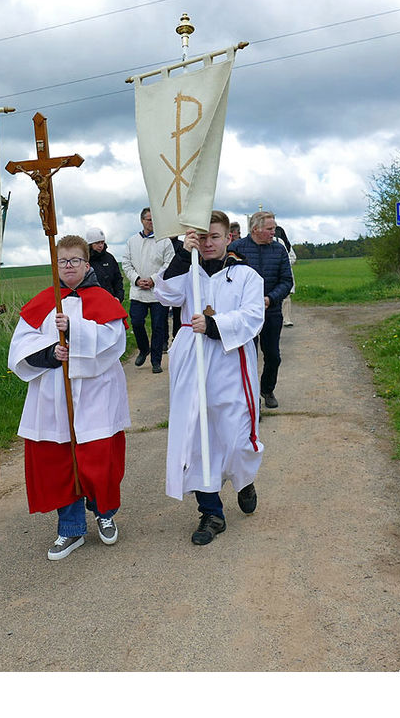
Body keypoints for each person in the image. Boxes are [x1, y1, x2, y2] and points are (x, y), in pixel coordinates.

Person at [8, 235, 131, 561]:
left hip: (95, 394)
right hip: (54, 395)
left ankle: (105, 514)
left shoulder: (103, 299)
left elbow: (113, 342)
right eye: (63, 261)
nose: (69, 266)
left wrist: (75, 329)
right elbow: (19, 347)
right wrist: (51, 353)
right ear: (55, 265)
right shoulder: (45, 301)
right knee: (60, 461)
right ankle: (71, 528)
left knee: (99, 457)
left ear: (87, 264)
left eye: (75, 260)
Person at [154, 210, 265, 546]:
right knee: (197, 433)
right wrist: (178, 252)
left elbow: (252, 315)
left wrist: (215, 326)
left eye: (213, 237)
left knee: (234, 434)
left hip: (230, 359)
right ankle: (211, 511)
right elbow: (166, 294)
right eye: (201, 238)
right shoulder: (188, 269)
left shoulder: (245, 275)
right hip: (192, 357)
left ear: (228, 237)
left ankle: (243, 477)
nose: (207, 244)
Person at [228, 211, 293, 409]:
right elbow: (227, 278)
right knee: (248, 356)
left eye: (274, 228)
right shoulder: (236, 248)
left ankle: (267, 389)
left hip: (270, 312)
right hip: (244, 314)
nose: (274, 232)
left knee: (273, 355)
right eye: (270, 229)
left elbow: (286, 281)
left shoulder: (279, 250)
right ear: (255, 229)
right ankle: (251, 396)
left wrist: (270, 299)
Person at [122, 207, 175, 374]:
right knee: (136, 322)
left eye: (154, 219)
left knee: (159, 326)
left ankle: (156, 361)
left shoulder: (164, 241)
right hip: (138, 291)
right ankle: (144, 349)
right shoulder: (132, 241)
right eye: (148, 219)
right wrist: (137, 279)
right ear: (142, 221)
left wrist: (153, 279)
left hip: (158, 291)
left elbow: (169, 263)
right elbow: (126, 263)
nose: (151, 222)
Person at [85, 227, 124, 303]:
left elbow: (117, 279)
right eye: (97, 243)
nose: (100, 245)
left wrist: (119, 297)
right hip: (92, 302)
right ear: (90, 244)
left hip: (111, 300)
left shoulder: (110, 258)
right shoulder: (84, 260)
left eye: (102, 242)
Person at [273, 224, 297, 327]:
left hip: (284, 272)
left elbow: (293, 257)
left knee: (286, 296)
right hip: (273, 273)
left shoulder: (285, 244)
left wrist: (285, 263)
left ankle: (286, 319)